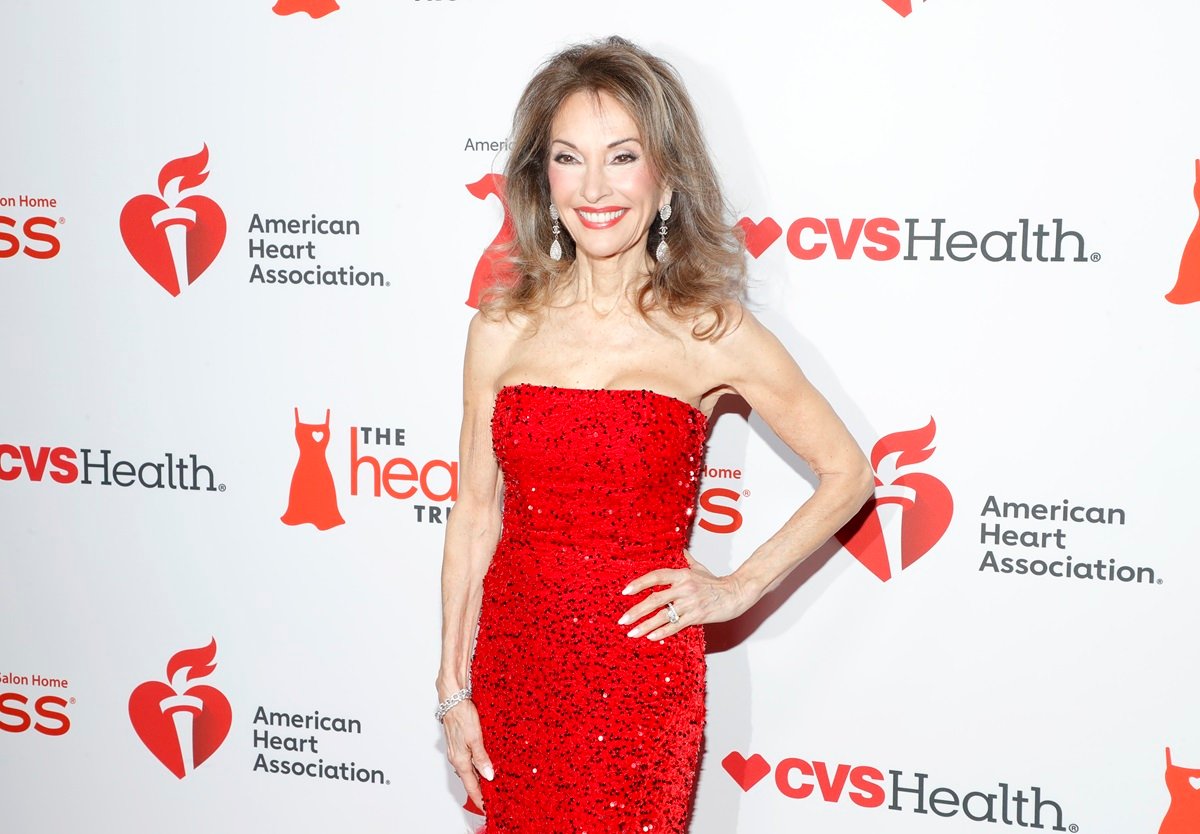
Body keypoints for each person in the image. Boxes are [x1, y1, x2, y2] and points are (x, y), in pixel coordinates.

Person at [436, 36, 874, 834]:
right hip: (513, 664)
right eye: (569, 158)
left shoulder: (710, 331)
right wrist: (452, 686)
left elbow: (848, 471)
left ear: (665, 174)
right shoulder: (500, 330)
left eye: (622, 156)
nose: (595, 187)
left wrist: (736, 587)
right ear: (543, 180)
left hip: (638, 680)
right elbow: (473, 514)